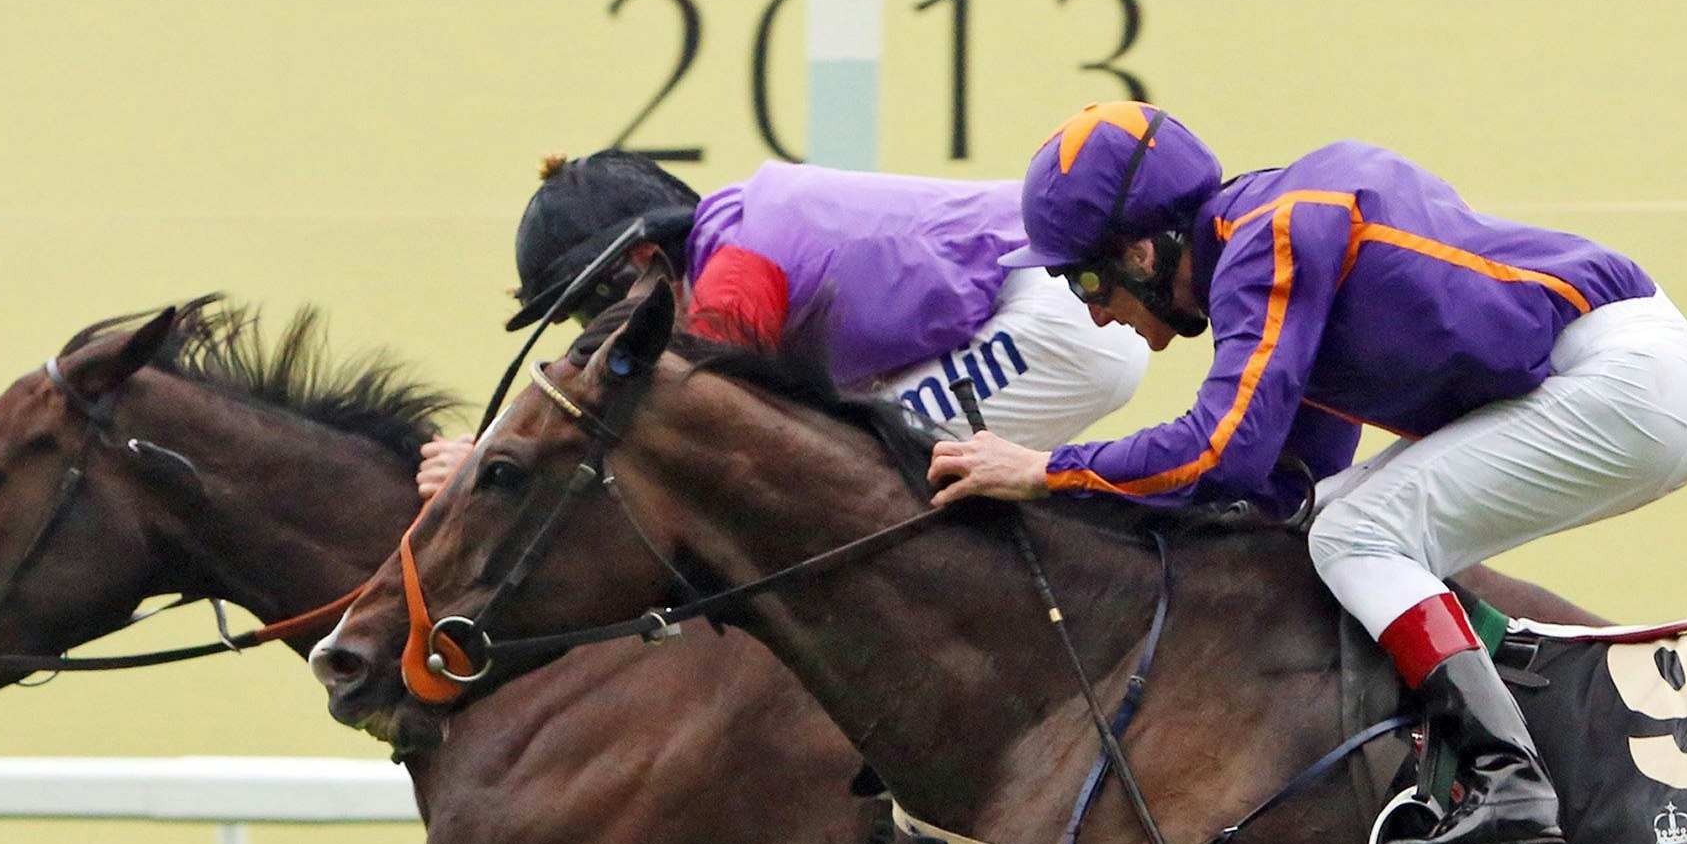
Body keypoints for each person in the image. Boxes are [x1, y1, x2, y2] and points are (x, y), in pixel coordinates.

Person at [925, 104, 1687, 844]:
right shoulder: (1264, 241)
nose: (1098, 318)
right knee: (1336, 520)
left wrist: (1047, 471)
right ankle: (1464, 743)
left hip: (1629, 381)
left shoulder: (1267, 238)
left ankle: (1505, 775)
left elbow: (1219, 454)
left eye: (1086, 285)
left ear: (1142, 251)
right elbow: (1288, 484)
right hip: (1621, 377)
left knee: (1356, 537)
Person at [415, 151, 1148, 498]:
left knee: (844, 480)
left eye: (585, 307)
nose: (592, 328)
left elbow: (655, 419)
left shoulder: (736, 276)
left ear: (640, 256)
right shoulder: (733, 233)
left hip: (1062, 316)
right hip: (1048, 307)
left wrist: (488, 460)